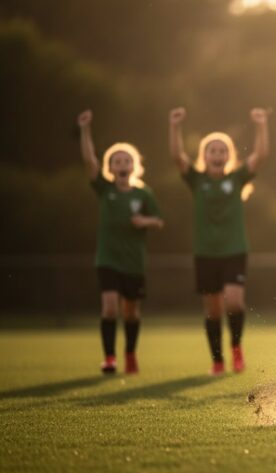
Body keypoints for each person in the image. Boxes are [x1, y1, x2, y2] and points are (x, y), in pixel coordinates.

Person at [168, 106, 269, 375]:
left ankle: (236, 348)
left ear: (228, 156)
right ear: (205, 156)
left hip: (234, 251)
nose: (217, 154)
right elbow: (177, 156)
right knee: (212, 310)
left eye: (222, 150)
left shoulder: (236, 179)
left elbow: (260, 156)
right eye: (212, 150)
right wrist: (175, 126)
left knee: (234, 302)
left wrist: (260, 125)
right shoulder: (197, 180)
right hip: (205, 253)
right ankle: (217, 359)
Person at [78, 109, 164, 375]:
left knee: (130, 313)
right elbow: (89, 161)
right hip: (108, 259)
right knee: (109, 307)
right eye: (116, 161)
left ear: (134, 166)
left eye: (126, 160)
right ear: (111, 167)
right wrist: (85, 129)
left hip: (133, 262)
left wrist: (144, 221)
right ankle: (110, 358)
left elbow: (159, 220)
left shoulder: (143, 193)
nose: (122, 164)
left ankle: (129, 354)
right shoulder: (105, 190)